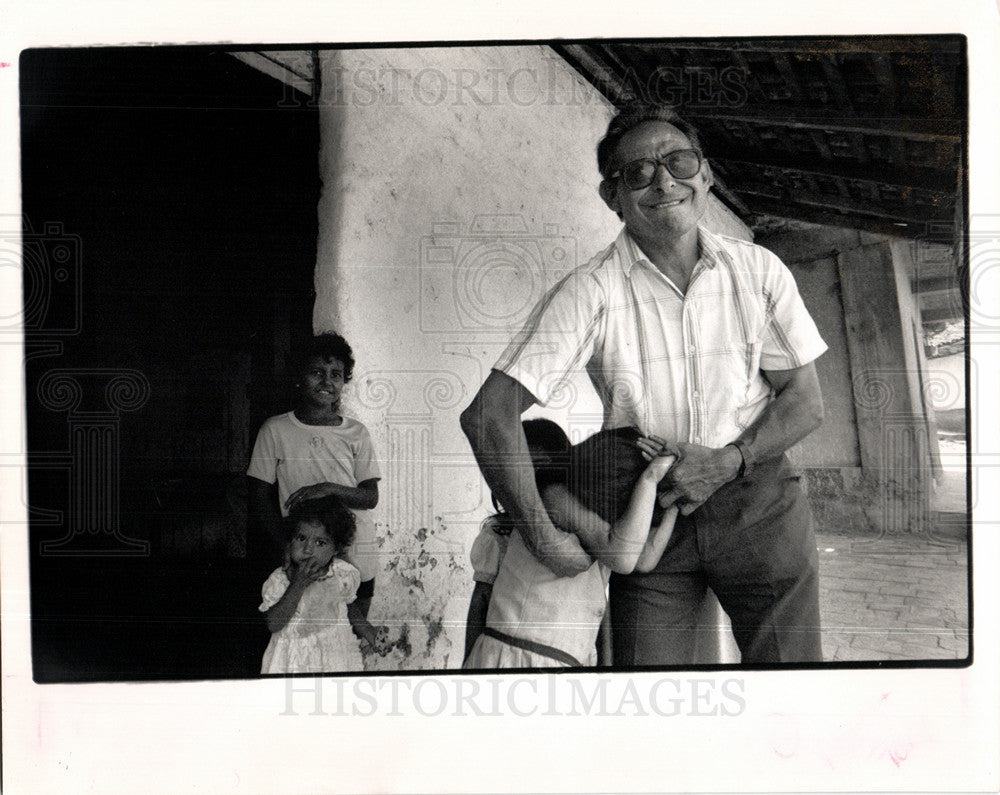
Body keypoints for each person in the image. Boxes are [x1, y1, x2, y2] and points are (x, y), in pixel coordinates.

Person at [460, 102, 828, 665]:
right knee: (655, 702)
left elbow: (805, 400)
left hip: (760, 507)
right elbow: (488, 416)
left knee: (792, 689)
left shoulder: (759, 272)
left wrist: (728, 461)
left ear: (705, 174)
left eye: (678, 161)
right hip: (645, 521)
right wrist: (539, 530)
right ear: (613, 197)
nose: (663, 180)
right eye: (637, 171)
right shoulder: (591, 289)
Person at [463, 419, 678, 669]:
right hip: (515, 658)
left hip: (564, 662)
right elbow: (481, 600)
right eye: (519, 471)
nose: (527, 481)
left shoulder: (598, 529)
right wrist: (651, 479)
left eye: (539, 467)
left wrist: (672, 495)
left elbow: (643, 559)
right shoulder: (552, 497)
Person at [248, 332, 389, 655]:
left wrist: (326, 488)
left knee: (350, 634)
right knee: (298, 636)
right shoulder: (276, 430)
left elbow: (369, 497)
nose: (327, 381)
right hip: (306, 547)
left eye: (336, 374)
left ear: (344, 380)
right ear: (299, 377)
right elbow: (257, 495)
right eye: (317, 373)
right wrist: (284, 543)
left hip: (355, 549)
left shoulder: (356, 433)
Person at [259, 496, 374, 673]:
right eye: (301, 538)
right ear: (290, 543)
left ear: (336, 548)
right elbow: (273, 624)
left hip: (334, 656)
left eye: (320, 542)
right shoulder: (280, 580)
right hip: (293, 661)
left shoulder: (341, 573)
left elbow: (347, 606)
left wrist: (367, 630)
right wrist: (298, 584)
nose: (308, 549)